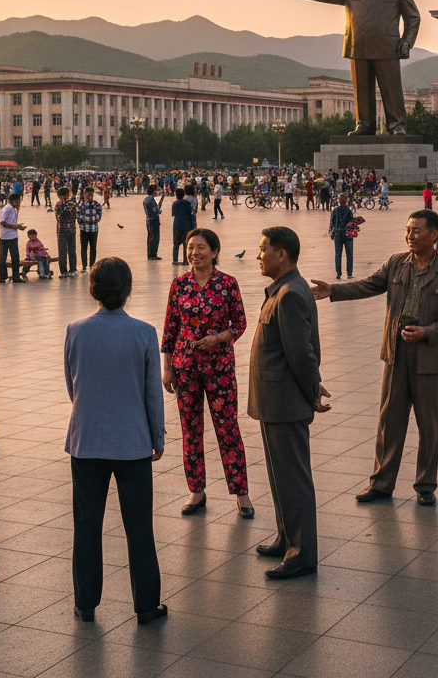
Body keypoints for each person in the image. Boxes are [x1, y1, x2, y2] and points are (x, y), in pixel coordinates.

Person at [313, 210, 438, 506]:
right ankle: (381, 483)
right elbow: (369, 284)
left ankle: (425, 485)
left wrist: (428, 331)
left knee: (428, 424)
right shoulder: (396, 263)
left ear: (434, 234)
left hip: (429, 359)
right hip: (396, 354)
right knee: (389, 420)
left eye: (417, 230)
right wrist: (334, 291)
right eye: (408, 229)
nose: (410, 235)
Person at [64, 257, 167, 625]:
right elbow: (152, 393)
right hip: (133, 443)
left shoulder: (75, 329)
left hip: (86, 440)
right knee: (139, 525)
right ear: (127, 289)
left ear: (92, 288)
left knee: (87, 524)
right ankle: (146, 606)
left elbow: (71, 384)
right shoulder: (143, 332)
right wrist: (157, 436)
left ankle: (86, 602)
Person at [248, 227, 328, 579]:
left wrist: (313, 390)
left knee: (293, 479)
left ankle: (301, 554)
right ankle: (286, 538)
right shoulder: (283, 289)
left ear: (282, 254)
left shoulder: (291, 294)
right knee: (280, 477)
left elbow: (302, 352)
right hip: (274, 401)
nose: (258, 255)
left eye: (263, 249)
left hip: (285, 402)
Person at [278, 0, 421, 135]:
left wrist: (407, 41)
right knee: (361, 89)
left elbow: (413, 17)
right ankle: (364, 124)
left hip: (387, 47)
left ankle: (397, 125)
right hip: (357, 46)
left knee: (391, 89)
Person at [162, 229, 252, 518]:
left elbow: (240, 323)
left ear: (214, 251)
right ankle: (196, 491)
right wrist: (167, 368)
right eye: (191, 247)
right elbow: (170, 329)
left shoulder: (227, 283)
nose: (194, 253)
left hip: (219, 370)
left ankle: (241, 493)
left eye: (201, 247)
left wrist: (219, 338)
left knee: (228, 429)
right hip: (185, 368)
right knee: (190, 431)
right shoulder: (179, 285)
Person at [0, 193, 27, 283]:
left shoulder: (12, 209)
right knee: (10, 257)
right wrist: (16, 227)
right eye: (17, 201)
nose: (18, 203)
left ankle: (9, 276)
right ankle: (10, 276)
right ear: (11, 201)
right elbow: (2, 222)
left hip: (10, 235)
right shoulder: (7, 208)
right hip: (8, 236)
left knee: (11, 257)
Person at [329, 192, 354, 279]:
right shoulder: (348, 211)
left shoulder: (335, 210)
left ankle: (338, 273)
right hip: (347, 235)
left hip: (338, 234)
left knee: (338, 254)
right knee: (349, 254)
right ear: (346, 201)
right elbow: (352, 224)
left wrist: (331, 232)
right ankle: (349, 273)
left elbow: (331, 223)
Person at [77, 187, 103, 272]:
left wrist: (86, 219)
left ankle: (92, 265)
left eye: (90, 195)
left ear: (93, 195)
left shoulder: (97, 205)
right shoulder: (81, 205)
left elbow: (98, 218)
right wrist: (90, 219)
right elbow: (78, 217)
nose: (88, 197)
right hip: (83, 229)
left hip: (93, 230)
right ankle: (84, 265)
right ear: (84, 195)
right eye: (86, 195)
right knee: (83, 248)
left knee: (93, 247)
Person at [54, 187, 78, 277]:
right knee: (72, 250)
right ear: (69, 194)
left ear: (59, 196)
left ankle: (63, 271)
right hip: (71, 230)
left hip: (61, 230)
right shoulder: (72, 204)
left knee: (62, 251)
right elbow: (75, 216)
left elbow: (58, 217)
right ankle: (72, 270)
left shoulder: (58, 205)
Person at [171, 188, 195, 266]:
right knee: (186, 244)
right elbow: (190, 212)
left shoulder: (175, 203)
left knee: (176, 244)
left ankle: (175, 260)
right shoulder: (187, 203)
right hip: (186, 225)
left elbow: (173, 214)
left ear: (176, 195)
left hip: (177, 225)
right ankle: (185, 261)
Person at [143, 183, 165, 260]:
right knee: (155, 238)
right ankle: (153, 254)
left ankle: (150, 254)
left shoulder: (145, 199)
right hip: (154, 220)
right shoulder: (151, 199)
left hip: (148, 220)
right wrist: (159, 211)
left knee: (150, 237)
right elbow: (155, 211)